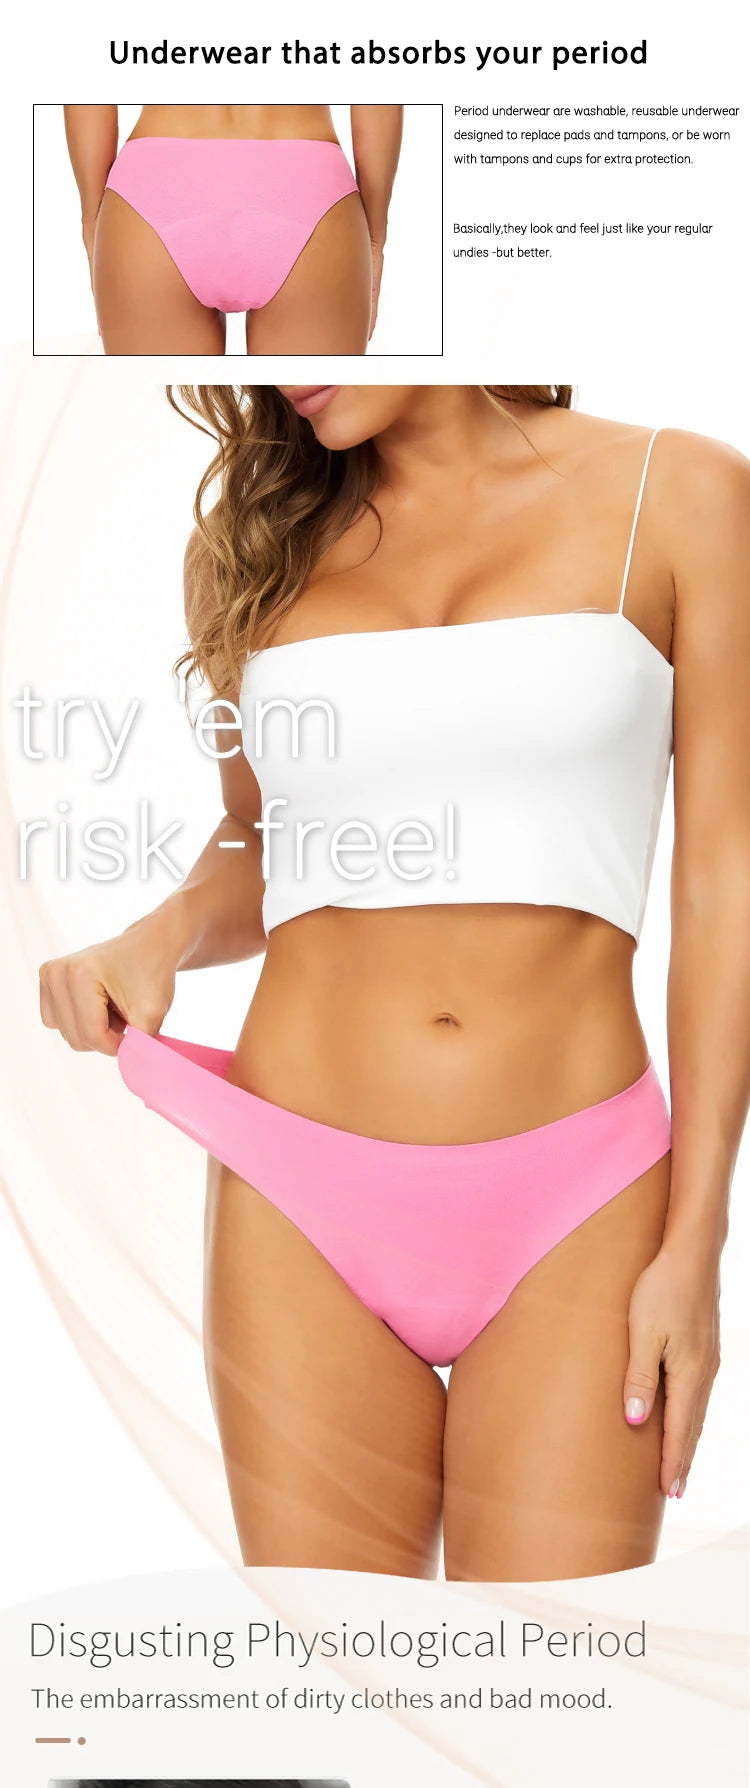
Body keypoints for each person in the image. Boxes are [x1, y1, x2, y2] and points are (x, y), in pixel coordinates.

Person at [40, 384, 750, 1580]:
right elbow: (261, 845)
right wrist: (155, 937)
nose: (288, 362)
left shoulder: (680, 495)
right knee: (341, 1677)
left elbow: (723, 886)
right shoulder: (250, 549)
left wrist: (699, 1242)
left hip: (581, 1198)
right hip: (299, 1192)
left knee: (545, 1683)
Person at [63, 105, 402, 352]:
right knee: (302, 425)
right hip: (307, 181)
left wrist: (92, 221)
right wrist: (374, 236)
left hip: (156, 181)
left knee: (157, 419)